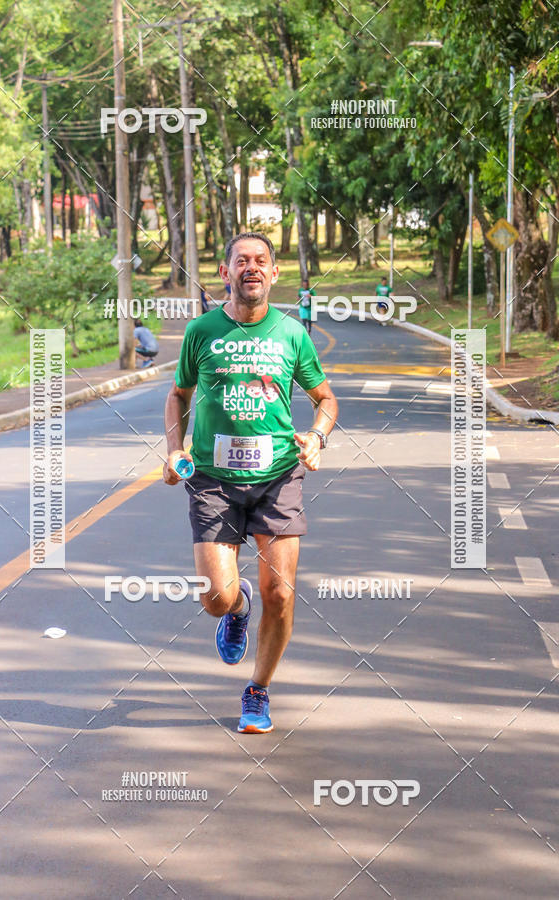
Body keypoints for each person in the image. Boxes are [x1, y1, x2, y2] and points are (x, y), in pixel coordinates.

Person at [163, 232, 338, 734]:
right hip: (214, 481)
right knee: (213, 598)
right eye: (242, 261)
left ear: (274, 273)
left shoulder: (291, 335)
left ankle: (258, 690)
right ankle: (235, 606)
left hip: (279, 476)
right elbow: (178, 395)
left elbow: (326, 398)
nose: (252, 268)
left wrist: (318, 437)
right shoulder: (202, 331)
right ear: (226, 273)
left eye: (261, 260)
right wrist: (174, 449)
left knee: (280, 594)